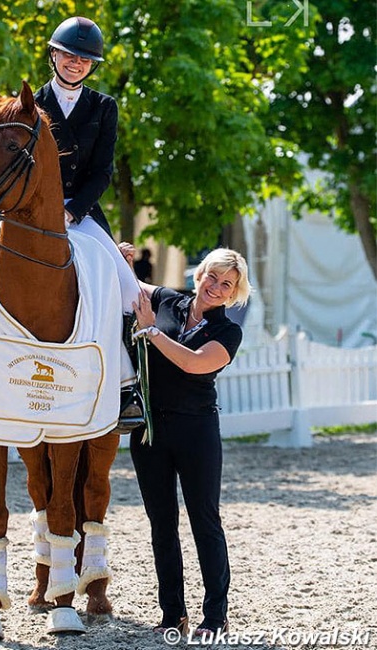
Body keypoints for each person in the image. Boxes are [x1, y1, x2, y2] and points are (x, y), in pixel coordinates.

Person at [119, 242, 252, 639]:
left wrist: (149, 332)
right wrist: (121, 259)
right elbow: (129, 285)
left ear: (234, 292)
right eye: (213, 276)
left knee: (204, 522)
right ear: (200, 273)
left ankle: (215, 616)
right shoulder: (166, 300)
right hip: (150, 432)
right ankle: (172, 613)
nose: (217, 286)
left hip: (196, 432)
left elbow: (194, 364)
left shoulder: (228, 330)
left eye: (227, 284)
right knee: (162, 524)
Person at [35, 17, 143, 426]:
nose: (75, 64)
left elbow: (102, 172)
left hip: (80, 210)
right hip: (29, 209)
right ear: (54, 55)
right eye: (68, 55)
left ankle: (129, 386)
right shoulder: (30, 102)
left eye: (84, 59)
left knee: (127, 286)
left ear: (91, 66)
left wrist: (71, 210)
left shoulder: (104, 107)